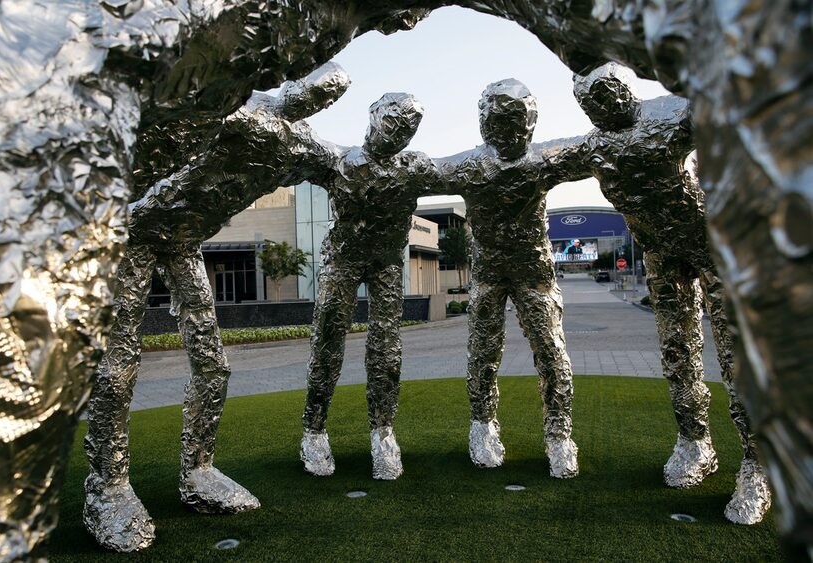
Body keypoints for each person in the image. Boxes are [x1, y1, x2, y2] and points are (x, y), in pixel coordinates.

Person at [83, 63, 350, 551]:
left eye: (330, 93)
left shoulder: (301, 143)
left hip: (183, 244)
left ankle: (199, 471)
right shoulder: (235, 109)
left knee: (214, 366)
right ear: (293, 84)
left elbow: (355, 166)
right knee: (118, 369)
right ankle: (108, 487)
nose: (321, 95)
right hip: (132, 235)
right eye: (318, 85)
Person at [573, 63, 771, 524]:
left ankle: (758, 462)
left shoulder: (667, 121)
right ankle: (694, 442)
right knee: (677, 353)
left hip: (716, 247)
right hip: (662, 258)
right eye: (591, 101)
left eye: (610, 91)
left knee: (737, 356)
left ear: (627, 90)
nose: (604, 104)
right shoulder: (595, 148)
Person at [438, 79, 590, 478]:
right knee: (483, 354)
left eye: (515, 121)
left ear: (529, 124)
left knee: (552, 353)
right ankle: (482, 427)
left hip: (534, 273)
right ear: (486, 125)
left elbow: (594, 150)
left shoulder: (541, 161)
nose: (506, 131)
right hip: (489, 273)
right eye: (499, 122)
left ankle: (559, 437)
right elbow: (418, 173)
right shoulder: (469, 166)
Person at [300, 93, 441, 480]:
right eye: (392, 122)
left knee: (387, 345)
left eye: (407, 129)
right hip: (341, 263)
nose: (398, 133)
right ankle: (314, 430)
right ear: (374, 117)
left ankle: (382, 430)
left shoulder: (413, 167)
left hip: (385, 265)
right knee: (327, 341)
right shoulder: (339, 161)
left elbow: (469, 171)